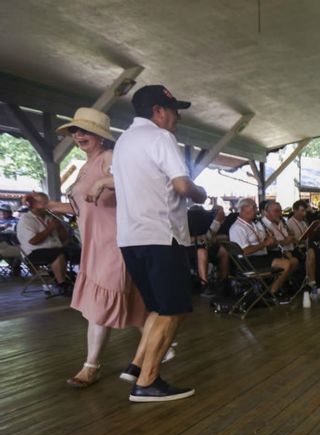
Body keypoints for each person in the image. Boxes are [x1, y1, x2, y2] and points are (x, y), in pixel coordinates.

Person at [112, 84, 207, 402]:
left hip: (130, 237)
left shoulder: (124, 141)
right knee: (173, 310)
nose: (177, 118)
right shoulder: (160, 137)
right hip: (161, 235)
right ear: (158, 111)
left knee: (159, 307)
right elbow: (181, 185)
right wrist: (201, 194)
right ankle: (148, 382)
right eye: (174, 111)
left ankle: (137, 365)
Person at [46, 108, 149, 387]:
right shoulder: (85, 167)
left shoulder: (110, 159)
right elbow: (83, 206)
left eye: (85, 131)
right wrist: (48, 205)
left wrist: (104, 181)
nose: (78, 135)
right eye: (75, 131)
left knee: (100, 305)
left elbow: (136, 183)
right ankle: (159, 343)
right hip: (94, 243)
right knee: (132, 301)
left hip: (114, 241)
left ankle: (91, 366)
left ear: (101, 137)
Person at [228, 198, 296, 300]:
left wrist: (270, 241)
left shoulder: (252, 224)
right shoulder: (237, 227)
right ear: (243, 209)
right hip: (248, 262)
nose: (256, 211)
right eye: (254, 208)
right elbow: (245, 251)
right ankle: (272, 293)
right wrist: (264, 243)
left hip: (260, 256)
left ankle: (276, 286)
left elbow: (263, 243)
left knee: (293, 261)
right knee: (286, 264)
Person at [16, 192, 72, 293]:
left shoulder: (49, 217)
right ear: (34, 204)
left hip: (54, 248)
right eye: (44, 203)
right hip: (34, 253)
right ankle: (62, 284)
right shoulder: (26, 219)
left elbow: (63, 239)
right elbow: (33, 241)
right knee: (58, 254)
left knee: (77, 251)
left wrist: (59, 226)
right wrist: (49, 229)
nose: (48, 205)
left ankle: (76, 279)